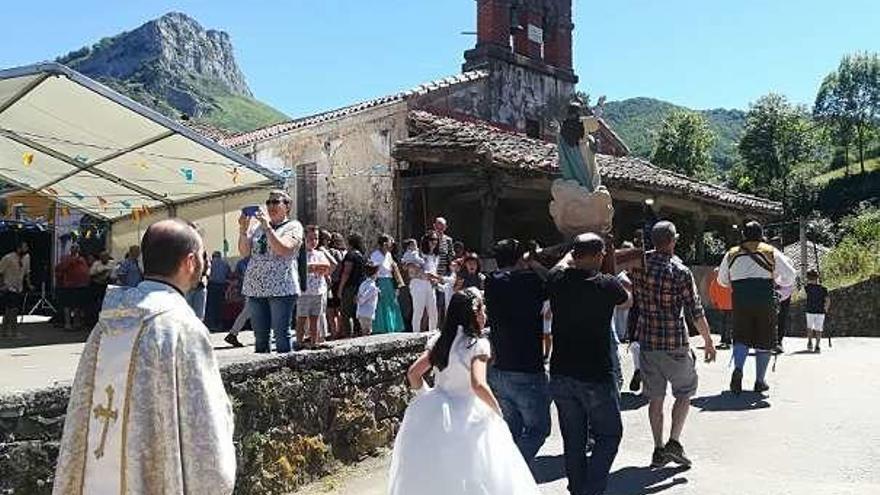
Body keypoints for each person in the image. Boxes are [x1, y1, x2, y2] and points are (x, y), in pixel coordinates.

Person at [52, 219, 235, 494]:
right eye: (201, 256)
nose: (203, 263)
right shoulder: (181, 328)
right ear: (189, 262)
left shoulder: (105, 327)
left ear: (142, 264)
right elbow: (205, 430)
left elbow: (79, 421)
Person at [388, 288, 541, 495]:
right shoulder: (477, 345)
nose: (484, 315)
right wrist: (497, 411)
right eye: (482, 310)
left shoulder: (440, 341)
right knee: (480, 469)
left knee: (440, 470)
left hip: (437, 409)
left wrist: (427, 396)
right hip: (470, 411)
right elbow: (478, 384)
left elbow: (414, 373)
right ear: (474, 314)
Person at [547, 233, 630, 495]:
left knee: (573, 441)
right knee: (609, 435)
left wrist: (570, 253)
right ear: (596, 256)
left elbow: (558, 267)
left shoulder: (557, 280)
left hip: (561, 372)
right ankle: (590, 490)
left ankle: (577, 488)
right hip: (595, 374)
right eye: (603, 253)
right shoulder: (606, 285)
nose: (605, 256)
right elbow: (627, 300)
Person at [630, 221, 716, 468]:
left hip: (647, 341)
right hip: (675, 342)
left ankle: (658, 448)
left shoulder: (638, 266)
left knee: (655, 399)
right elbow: (696, 311)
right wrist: (708, 341)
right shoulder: (680, 271)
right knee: (684, 391)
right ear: (673, 241)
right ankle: (674, 442)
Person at [485, 239, 550, 462]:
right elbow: (553, 281)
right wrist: (533, 263)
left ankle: (500, 478)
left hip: (500, 367)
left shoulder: (491, 282)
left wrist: (525, 261)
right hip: (527, 368)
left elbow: (508, 276)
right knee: (538, 429)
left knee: (511, 430)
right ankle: (513, 471)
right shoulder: (529, 281)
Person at [717, 220, 796, 394]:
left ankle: (738, 368)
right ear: (761, 235)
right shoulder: (770, 251)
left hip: (740, 300)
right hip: (764, 299)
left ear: (743, 235)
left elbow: (721, 280)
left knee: (740, 336)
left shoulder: (731, 254)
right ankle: (759, 381)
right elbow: (790, 275)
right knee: (764, 338)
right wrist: (777, 281)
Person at [239, 190, 303, 353]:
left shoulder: (293, 226)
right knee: (260, 336)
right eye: (269, 202)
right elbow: (244, 252)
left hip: (281, 287)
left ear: (287, 206)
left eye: (276, 202)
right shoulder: (257, 228)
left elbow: (283, 249)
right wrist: (243, 230)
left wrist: (268, 228)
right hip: (255, 287)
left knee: (281, 334)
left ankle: (286, 370)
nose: (271, 206)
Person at [296, 225, 331, 348]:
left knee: (315, 318)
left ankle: (314, 342)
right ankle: (299, 342)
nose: (313, 241)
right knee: (302, 318)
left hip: (318, 291)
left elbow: (327, 267)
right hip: (304, 292)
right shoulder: (299, 254)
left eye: (316, 238)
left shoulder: (319, 253)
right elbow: (299, 269)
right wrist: (312, 268)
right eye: (310, 238)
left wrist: (317, 268)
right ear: (304, 238)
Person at [369, 234, 406, 333]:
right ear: (385, 244)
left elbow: (392, 269)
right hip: (380, 282)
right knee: (381, 304)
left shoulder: (389, 255)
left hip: (389, 282)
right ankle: (381, 328)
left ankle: (392, 326)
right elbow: (373, 272)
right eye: (390, 243)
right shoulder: (375, 255)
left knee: (392, 304)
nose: (392, 245)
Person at [406, 233, 441, 333]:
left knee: (433, 313)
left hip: (431, 285)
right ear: (426, 241)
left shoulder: (435, 256)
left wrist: (434, 279)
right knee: (418, 311)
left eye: (436, 240)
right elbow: (410, 269)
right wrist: (424, 275)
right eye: (431, 239)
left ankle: (432, 335)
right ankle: (415, 336)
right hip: (418, 284)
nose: (434, 242)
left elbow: (434, 271)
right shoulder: (418, 254)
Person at [336, 233, 367, 337]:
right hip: (359, 287)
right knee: (356, 312)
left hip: (350, 287)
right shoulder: (361, 256)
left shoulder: (350, 255)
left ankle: (347, 335)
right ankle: (358, 333)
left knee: (345, 313)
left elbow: (346, 272)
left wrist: (340, 288)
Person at [55, 244, 90, 331]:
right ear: (71, 249)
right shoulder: (66, 258)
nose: (75, 249)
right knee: (67, 305)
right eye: (73, 248)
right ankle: (67, 324)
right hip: (68, 285)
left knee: (77, 306)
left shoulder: (82, 259)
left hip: (80, 285)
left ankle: (76, 323)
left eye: (77, 248)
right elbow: (60, 268)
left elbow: (86, 271)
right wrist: (72, 261)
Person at [0, 242, 31, 337]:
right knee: (13, 310)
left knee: (9, 310)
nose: (26, 249)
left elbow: (27, 272)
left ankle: (4, 330)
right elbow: (0, 272)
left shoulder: (26, 258)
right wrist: (2, 285)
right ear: (18, 248)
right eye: (24, 247)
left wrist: (29, 284)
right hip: (8, 287)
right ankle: (14, 331)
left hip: (19, 287)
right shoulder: (8, 258)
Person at [224, 256, 250, 348]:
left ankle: (233, 333)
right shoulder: (244, 262)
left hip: (250, 288)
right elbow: (236, 275)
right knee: (247, 312)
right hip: (252, 289)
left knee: (248, 312)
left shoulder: (244, 262)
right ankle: (233, 333)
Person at [804, 269, 830, 353]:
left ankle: (810, 342)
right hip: (820, 311)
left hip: (810, 310)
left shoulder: (807, 288)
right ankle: (817, 346)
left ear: (808, 278)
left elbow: (803, 291)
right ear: (817, 278)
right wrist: (826, 308)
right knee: (819, 329)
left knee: (809, 328)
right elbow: (827, 300)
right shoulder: (823, 289)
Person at [708, 266, 733, 350]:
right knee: (727, 323)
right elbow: (712, 293)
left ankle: (725, 339)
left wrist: (714, 302)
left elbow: (712, 293)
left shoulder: (716, 282)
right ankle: (727, 339)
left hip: (724, 305)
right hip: (727, 305)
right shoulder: (728, 281)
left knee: (724, 323)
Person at [87, 251, 115, 327]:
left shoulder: (112, 263)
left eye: (106, 257)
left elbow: (114, 274)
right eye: (102, 257)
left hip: (107, 285)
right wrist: (101, 273)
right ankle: (94, 320)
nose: (104, 258)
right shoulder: (96, 264)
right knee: (96, 304)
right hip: (97, 285)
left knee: (106, 303)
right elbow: (91, 274)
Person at [205, 251, 231, 331]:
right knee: (219, 307)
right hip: (222, 287)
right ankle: (219, 324)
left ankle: (211, 324)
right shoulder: (225, 264)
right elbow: (228, 274)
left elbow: (207, 274)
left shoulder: (211, 263)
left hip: (212, 286)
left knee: (211, 306)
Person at [356, 263, 381, 335]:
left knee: (365, 330)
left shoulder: (363, 283)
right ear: (375, 274)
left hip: (362, 311)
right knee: (367, 331)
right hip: (367, 312)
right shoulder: (372, 286)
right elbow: (364, 297)